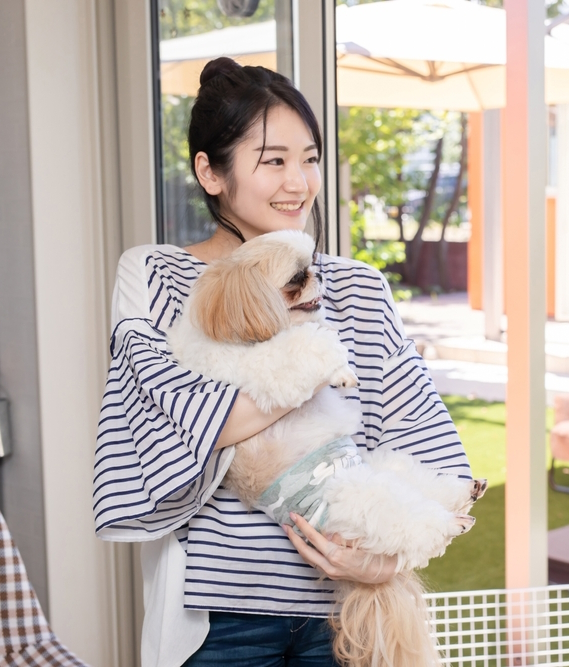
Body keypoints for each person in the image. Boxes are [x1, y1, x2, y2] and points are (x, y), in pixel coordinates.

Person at [92, 57, 471, 666]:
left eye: (310, 158)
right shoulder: (157, 276)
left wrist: (385, 559)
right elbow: (177, 421)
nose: (299, 181)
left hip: (344, 615)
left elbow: (431, 449)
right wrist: (305, 369)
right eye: (273, 160)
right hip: (219, 621)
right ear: (210, 173)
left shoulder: (357, 288)